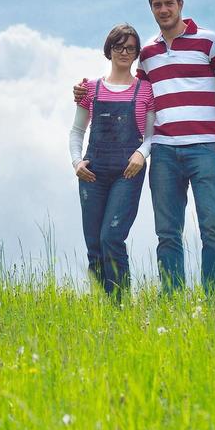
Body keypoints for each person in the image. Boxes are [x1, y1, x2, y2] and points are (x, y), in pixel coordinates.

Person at [74, 0, 215, 297]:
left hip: (207, 149)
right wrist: (84, 92)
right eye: (157, 5)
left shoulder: (211, 42)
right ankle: (173, 300)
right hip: (164, 153)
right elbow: (129, 92)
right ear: (151, 9)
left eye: (169, 3)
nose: (163, 10)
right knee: (167, 233)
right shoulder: (148, 53)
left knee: (212, 229)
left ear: (181, 4)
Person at [70, 23, 155, 299]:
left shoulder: (145, 90)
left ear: (136, 53)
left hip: (127, 174)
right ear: (109, 50)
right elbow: (77, 132)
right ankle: (100, 306)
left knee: (112, 238)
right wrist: (76, 162)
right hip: (92, 174)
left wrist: (141, 154)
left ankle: (119, 308)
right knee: (94, 245)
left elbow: (152, 135)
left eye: (130, 48)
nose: (124, 52)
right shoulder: (90, 89)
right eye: (119, 46)